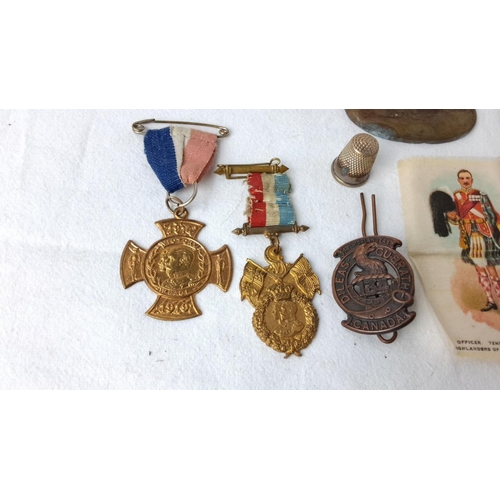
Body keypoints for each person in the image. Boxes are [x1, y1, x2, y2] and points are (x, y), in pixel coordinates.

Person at [446, 170, 500, 311]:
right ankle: (490, 301)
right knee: (479, 269)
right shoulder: (456, 197)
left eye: (468, 178)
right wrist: (452, 218)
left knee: (490, 268)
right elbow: (456, 219)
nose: (465, 181)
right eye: (462, 178)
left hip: (485, 233)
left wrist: (490, 227)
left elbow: (492, 214)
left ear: (472, 179)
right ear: (458, 180)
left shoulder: (481, 195)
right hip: (469, 234)